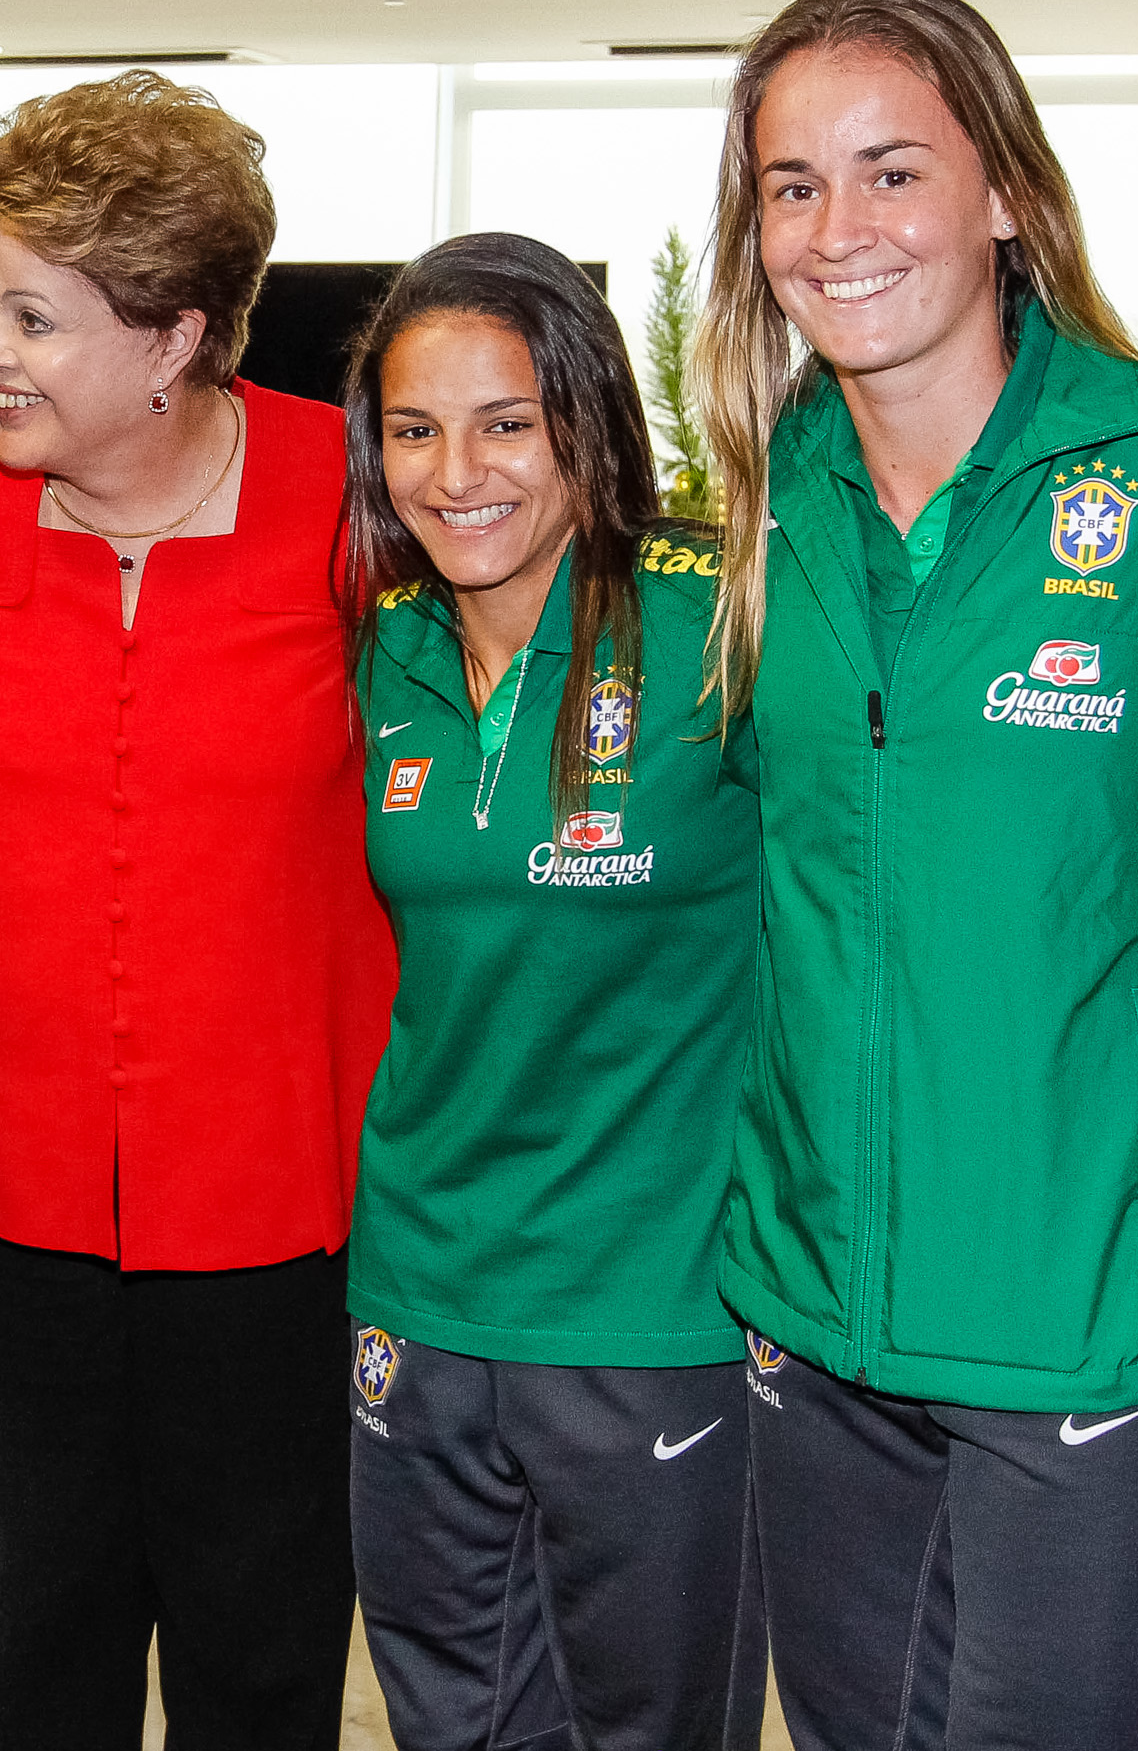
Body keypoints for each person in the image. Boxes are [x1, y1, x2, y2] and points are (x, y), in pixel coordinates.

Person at [701, 0, 1138, 1749]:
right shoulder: (762, 498)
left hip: (1081, 1327)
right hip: (808, 1317)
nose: (835, 231)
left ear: (1004, 191)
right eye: (791, 185)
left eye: (889, 172)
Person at [0, 71, 389, 1747]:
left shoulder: (363, 502)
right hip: (21, 1173)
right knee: (50, 1605)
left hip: (281, 1180)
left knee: (263, 1617)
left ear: (171, 338)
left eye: (30, 314)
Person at [336, 231, 770, 1750]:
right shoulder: (377, 646)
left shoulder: (728, 621)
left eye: (504, 421)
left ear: (585, 418)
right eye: (411, 428)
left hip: (651, 1308)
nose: (455, 471)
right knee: (450, 1719)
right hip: (416, 1294)